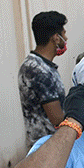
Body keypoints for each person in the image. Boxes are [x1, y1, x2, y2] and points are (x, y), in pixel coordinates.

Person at [18, 11, 68, 146]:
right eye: (64, 34)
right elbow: (57, 118)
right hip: (47, 147)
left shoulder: (41, 66)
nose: (66, 38)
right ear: (56, 38)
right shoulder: (39, 70)